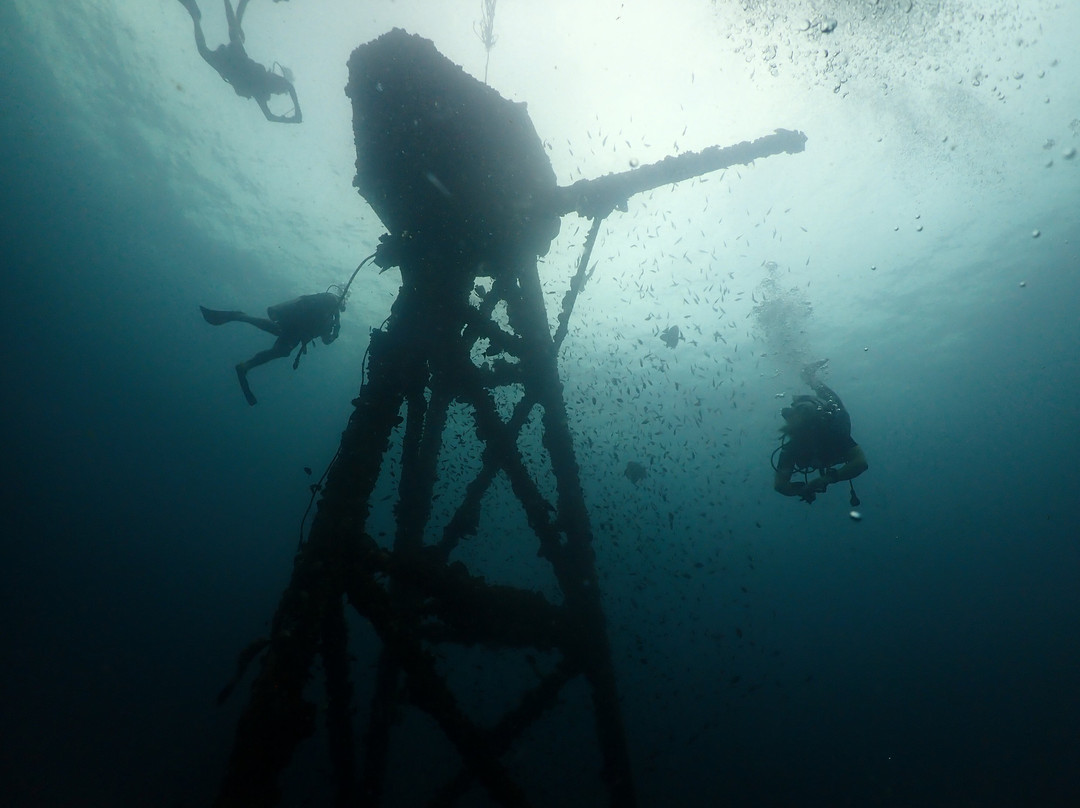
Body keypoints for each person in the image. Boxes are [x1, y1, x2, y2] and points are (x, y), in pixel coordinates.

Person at [200, 292, 342, 405]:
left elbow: (324, 338)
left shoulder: (329, 315)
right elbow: (325, 333)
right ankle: (239, 317)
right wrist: (336, 324)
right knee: (278, 341)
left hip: (295, 332)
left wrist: (333, 331)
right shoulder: (331, 304)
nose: (343, 306)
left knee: (281, 349)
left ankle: (244, 366)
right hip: (294, 327)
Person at [177, 0, 302, 123]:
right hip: (235, 63)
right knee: (227, 35)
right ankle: (199, 16)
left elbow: (269, 116)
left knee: (225, 37)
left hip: (232, 65)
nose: (279, 93)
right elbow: (288, 88)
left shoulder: (261, 93)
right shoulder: (267, 85)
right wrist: (296, 113)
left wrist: (294, 116)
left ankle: (196, 17)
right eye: (281, 92)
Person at [773, 360, 868, 503]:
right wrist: (803, 489)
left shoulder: (833, 432)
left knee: (832, 401)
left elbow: (861, 462)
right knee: (828, 397)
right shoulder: (792, 448)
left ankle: (809, 377)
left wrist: (827, 479)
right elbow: (780, 485)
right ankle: (809, 377)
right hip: (825, 425)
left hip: (833, 416)